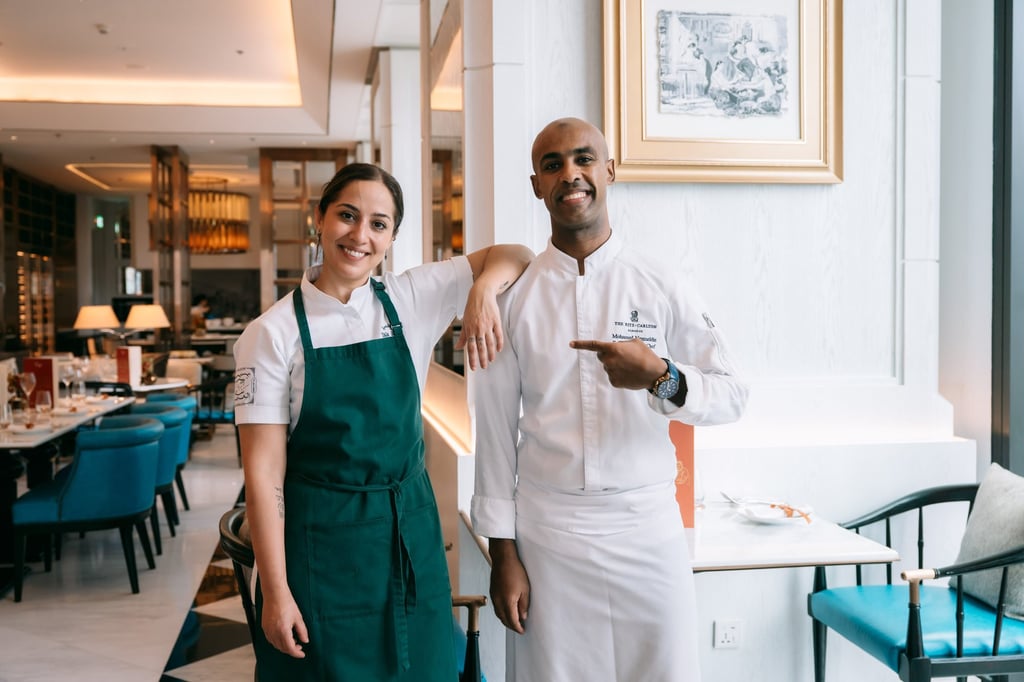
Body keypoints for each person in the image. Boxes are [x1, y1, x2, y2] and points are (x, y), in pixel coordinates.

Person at [471, 118, 749, 681]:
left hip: (646, 526)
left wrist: (661, 376)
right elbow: (496, 434)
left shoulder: (660, 282)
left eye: (583, 159)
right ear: (536, 185)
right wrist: (503, 555)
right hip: (549, 534)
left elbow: (733, 393)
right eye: (553, 165)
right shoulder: (514, 298)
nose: (569, 174)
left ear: (610, 170)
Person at [234, 162, 533, 681]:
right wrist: (277, 593)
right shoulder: (271, 335)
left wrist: (481, 293)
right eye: (347, 216)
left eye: (378, 223)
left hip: (410, 536)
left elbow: (516, 255)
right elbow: (263, 479)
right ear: (320, 219)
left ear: (392, 237)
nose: (360, 235)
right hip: (322, 546)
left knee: (427, 669)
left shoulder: (408, 297)